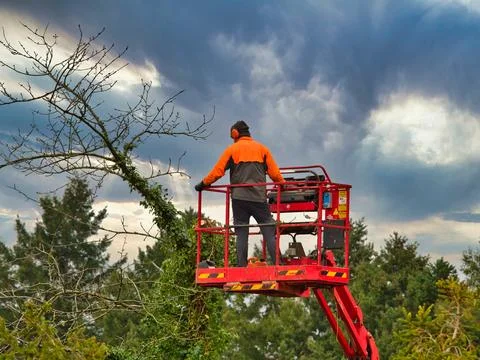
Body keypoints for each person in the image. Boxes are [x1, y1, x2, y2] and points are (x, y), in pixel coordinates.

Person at [195, 120, 285, 267]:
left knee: (241, 232)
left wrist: (203, 184)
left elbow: (218, 172)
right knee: (268, 230)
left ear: (235, 133)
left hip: (239, 199)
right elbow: (275, 175)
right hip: (258, 198)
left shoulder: (232, 150)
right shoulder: (263, 149)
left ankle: (241, 266)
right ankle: (278, 265)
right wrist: (284, 185)